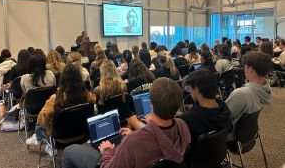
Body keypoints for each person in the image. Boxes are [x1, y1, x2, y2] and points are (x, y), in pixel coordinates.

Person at [62, 77, 191, 168]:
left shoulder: (133, 142)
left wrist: (107, 151)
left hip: (110, 158)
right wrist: (137, 133)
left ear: (150, 103)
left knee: (69, 151)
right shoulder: (183, 126)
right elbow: (160, 139)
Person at [25, 64, 96, 155]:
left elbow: (41, 120)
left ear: (62, 79)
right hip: (83, 135)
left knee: (40, 124)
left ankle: (40, 139)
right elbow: (94, 101)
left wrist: (50, 127)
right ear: (79, 79)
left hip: (61, 139)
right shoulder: (87, 96)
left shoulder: (56, 98)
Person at [226, 51, 272, 141]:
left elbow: (222, 117)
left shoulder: (241, 94)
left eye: (245, 67)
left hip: (230, 134)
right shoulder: (266, 88)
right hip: (247, 132)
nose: (244, 69)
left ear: (250, 69)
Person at [179, 70, 231, 144]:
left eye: (189, 88)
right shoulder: (224, 108)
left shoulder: (187, 119)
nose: (189, 91)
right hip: (219, 150)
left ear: (197, 89)